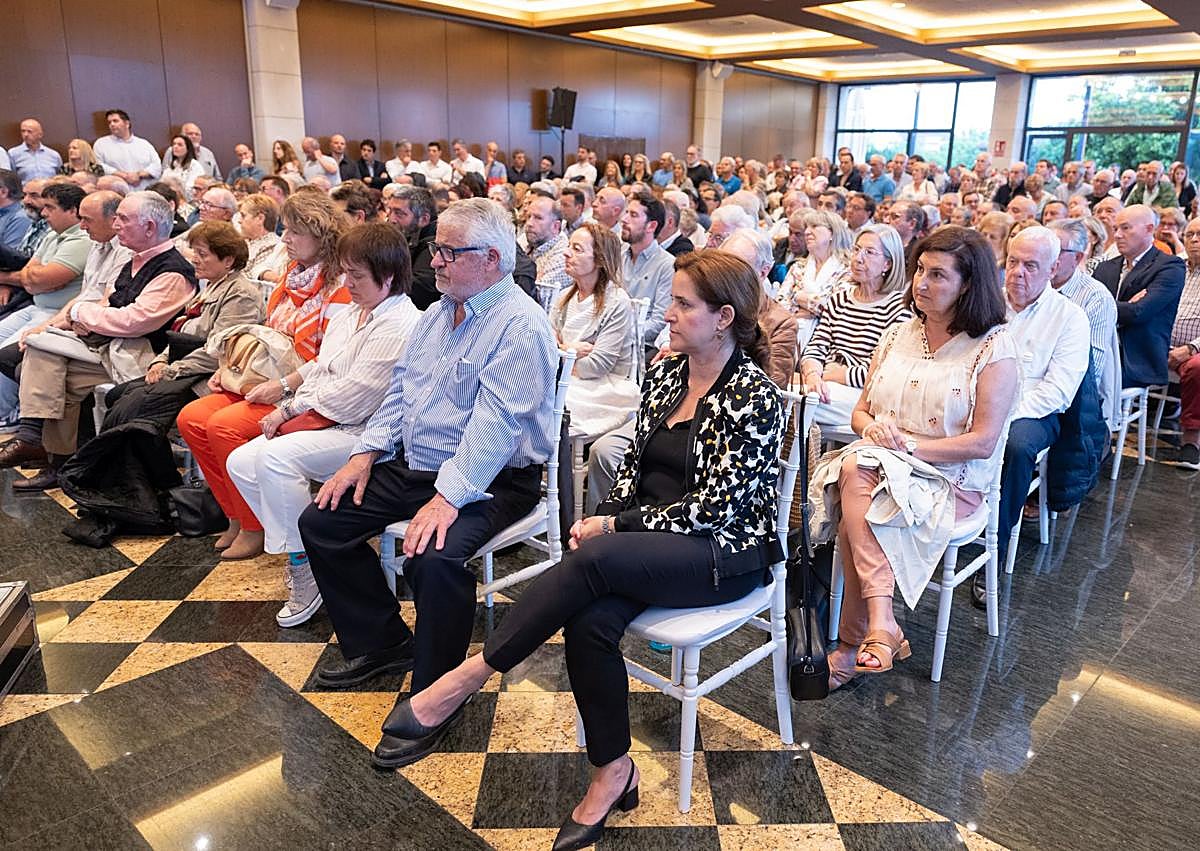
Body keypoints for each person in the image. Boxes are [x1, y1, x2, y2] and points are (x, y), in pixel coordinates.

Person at [368, 251, 783, 851]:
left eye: (682, 304)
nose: (666, 314)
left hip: (721, 553)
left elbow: (716, 508)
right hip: (646, 545)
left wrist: (613, 526)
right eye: (670, 300)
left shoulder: (754, 395)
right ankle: (613, 772)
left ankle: (468, 676)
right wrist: (607, 516)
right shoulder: (668, 374)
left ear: (723, 318)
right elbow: (632, 466)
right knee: (589, 623)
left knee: (593, 559)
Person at [296, 198, 557, 706]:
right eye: (436, 248)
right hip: (418, 466)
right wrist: (364, 454)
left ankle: (437, 690)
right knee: (322, 522)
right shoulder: (437, 313)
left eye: (449, 252)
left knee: (433, 558)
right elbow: (400, 392)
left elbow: (496, 426)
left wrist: (448, 497)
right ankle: (382, 642)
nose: (434, 261)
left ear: (492, 259)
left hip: (494, 479)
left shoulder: (520, 324)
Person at [814, 226, 1018, 687]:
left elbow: (983, 442)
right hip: (881, 467)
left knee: (855, 491)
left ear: (968, 285)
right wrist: (873, 430)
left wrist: (906, 448)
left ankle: (856, 640)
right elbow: (861, 413)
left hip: (950, 479)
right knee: (859, 470)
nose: (921, 283)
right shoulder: (896, 335)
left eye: (938, 275)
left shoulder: (993, 347)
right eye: (920, 270)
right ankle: (878, 626)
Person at [227, 223, 421, 626]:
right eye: (345, 272)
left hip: (370, 434)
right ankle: (312, 556)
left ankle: (307, 565)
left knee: (276, 458)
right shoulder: (351, 313)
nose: (346, 284)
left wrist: (289, 410)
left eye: (357, 276)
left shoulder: (401, 324)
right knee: (241, 462)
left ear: (388, 276)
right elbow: (322, 367)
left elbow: (355, 396)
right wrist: (288, 395)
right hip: (331, 419)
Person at [176, 192, 351, 559]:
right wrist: (229, 369)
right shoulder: (292, 276)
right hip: (270, 375)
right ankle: (234, 514)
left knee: (223, 426)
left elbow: (331, 359)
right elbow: (267, 335)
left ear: (321, 236)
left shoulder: (341, 286)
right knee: (191, 417)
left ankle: (255, 524)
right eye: (285, 230)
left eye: (295, 232)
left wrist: (281, 385)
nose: (285, 239)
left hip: (307, 387)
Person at [0, 192, 197, 479]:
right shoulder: (134, 259)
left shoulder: (172, 272)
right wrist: (84, 318)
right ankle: (57, 458)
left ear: (150, 227)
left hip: (143, 358)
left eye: (123, 219)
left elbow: (134, 322)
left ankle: (51, 454)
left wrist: (81, 314)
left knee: (48, 366)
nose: (116, 225)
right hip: (111, 346)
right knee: (41, 354)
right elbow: (107, 303)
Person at [799, 223, 912, 427]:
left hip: (865, 396)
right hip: (826, 384)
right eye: (857, 249)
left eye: (869, 252)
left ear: (887, 264)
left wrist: (833, 375)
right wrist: (813, 374)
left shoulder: (898, 308)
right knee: (789, 394)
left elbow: (882, 370)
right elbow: (817, 345)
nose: (858, 258)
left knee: (799, 402)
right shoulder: (840, 299)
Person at [550, 222, 639, 437]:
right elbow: (545, 344)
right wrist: (569, 349)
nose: (566, 253)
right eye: (569, 246)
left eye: (577, 249)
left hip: (602, 387)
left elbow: (597, 365)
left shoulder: (617, 301)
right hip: (567, 377)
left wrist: (559, 352)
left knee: (548, 400)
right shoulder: (563, 297)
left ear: (599, 260)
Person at [1092, 204, 1187, 389]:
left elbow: (1139, 313)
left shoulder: (1169, 267)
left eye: (1125, 228)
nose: (1117, 235)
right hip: (1098, 346)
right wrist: (1126, 305)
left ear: (1149, 229)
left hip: (1135, 359)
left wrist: (1105, 306)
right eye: (1116, 229)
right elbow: (1085, 308)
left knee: (1085, 377)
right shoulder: (1105, 267)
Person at [1046, 219, 1121, 433]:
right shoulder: (1034, 284)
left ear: (1078, 257)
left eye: (1056, 252)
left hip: (1073, 395)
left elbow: (1092, 369)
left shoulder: (1095, 297)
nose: (1048, 258)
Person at [774, 208, 852, 349]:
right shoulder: (798, 267)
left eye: (814, 226)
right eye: (807, 227)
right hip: (789, 335)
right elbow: (779, 305)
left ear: (832, 233)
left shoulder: (847, 270)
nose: (807, 232)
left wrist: (797, 297)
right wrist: (804, 307)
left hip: (828, 342)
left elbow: (834, 310)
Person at [619, 190, 674, 355]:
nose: (624, 219)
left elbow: (659, 322)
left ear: (651, 226)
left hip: (642, 346)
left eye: (633, 215)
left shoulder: (667, 265)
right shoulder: (619, 254)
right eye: (626, 212)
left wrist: (617, 334)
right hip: (613, 337)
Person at [1168, 218, 1200, 469]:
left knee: (1197, 367)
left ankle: (1191, 441)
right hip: (1161, 342)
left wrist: (1191, 348)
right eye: (1190, 235)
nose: (1194, 240)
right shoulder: (1173, 267)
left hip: (1194, 350)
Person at [385, 185, 439, 310]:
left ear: (424, 219)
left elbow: (420, 288)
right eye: (390, 211)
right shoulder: (404, 236)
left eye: (399, 214)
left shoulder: (435, 243)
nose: (391, 219)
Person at [92, 110, 161, 190]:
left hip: (145, 190)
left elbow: (157, 166)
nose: (112, 124)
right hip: (117, 192)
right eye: (109, 122)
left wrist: (138, 175)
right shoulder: (101, 144)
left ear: (127, 124)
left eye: (115, 121)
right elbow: (98, 166)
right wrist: (124, 176)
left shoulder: (144, 144)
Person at [524, 194, 571, 311]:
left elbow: (532, 294)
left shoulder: (563, 255)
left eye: (538, 218)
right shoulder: (531, 240)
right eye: (528, 216)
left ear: (555, 226)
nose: (529, 223)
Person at [238, 193, 287, 282]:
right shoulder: (243, 241)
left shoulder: (272, 245)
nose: (239, 221)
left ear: (260, 218)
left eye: (243, 216)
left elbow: (250, 278)